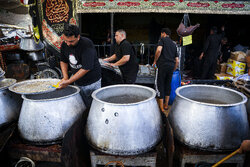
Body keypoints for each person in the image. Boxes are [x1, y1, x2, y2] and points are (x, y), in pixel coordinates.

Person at [58, 24, 101, 108]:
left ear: (78, 37)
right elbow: (63, 61)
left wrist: (69, 81)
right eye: (66, 40)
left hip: (92, 81)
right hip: (77, 81)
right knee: (81, 105)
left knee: (94, 107)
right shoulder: (64, 45)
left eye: (71, 41)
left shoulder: (86, 45)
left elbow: (86, 68)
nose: (68, 44)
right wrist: (66, 77)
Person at [153, 28, 179, 112]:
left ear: (163, 33)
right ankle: (166, 105)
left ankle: (161, 108)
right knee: (168, 84)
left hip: (162, 65)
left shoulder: (162, 40)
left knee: (160, 84)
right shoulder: (174, 44)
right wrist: (174, 68)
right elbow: (177, 60)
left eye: (161, 34)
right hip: (171, 66)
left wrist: (155, 61)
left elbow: (159, 50)